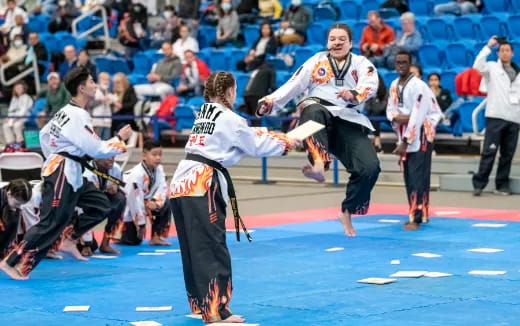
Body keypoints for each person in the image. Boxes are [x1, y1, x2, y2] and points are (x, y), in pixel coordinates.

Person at [170, 71, 299, 324]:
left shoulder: (204, 113)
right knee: (212, 245)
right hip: (202, 183)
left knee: (193, 247)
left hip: (181, 181)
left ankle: (201, 303)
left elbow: (233, 149)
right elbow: (255, 144)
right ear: (229, 91)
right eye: (235, 90)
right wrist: (287, 142)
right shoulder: (230, 118)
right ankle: (218, 310)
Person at [0, 66, 132, 280]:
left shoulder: (65, 112)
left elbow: (44, 134)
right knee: (51, 221)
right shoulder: (77, 115)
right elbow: (96, 149)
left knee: (101, 204)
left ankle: (70, 238)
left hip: (71, 171)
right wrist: (119, 138)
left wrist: (53, 156)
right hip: (63, 171)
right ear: (81, 88)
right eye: (91, 82)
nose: (95, 85)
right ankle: (10, 261)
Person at [256, 23, 381, 237]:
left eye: (342, 39)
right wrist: (270, 101)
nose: (337, 42)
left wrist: (355, 93)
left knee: (370, 168)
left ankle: (347, 209)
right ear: (327, 42)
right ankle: (319, 165)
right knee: (312, 107)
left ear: (351, 43)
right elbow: (294, 84)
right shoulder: (316, 61)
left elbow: (371, 83)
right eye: (333, 38)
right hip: (318, 115)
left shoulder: (362, 63)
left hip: (347, 120)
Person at [386, 51, 443, 231]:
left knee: (418, 177)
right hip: (406, 132)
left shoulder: (419, 86)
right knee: (409, 176)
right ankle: (420, 213)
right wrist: (396, 118)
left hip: (422, 133)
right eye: (398, 62)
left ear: (410, 64)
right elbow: (390, 109)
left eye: (404, 62)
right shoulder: (394, 85)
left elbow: (418, 115)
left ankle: (416, 217)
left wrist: (405, 140)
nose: (400, 65)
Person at [472, 37, 520, 196]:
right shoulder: (492, 68)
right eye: (502, 50)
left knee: (508, 154)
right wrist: (488, 46)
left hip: (514, 118)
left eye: (508, 50)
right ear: (498, 53)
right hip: (495, 115)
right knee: (489, 152)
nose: (505, 53)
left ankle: (501, 185)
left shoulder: (519, 73)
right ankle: (479, 183)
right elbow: (477, 65)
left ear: (512, 53)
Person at [120, 140, 171, 246]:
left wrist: (154, 202)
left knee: (166, 202)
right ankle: (123, 232)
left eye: (160, 155)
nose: (158, 158)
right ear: (144, 155)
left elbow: (162, 187)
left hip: (147, 202)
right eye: (154, 154)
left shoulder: (159, 169)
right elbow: (135, 200)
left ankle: (156, 236)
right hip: (129, 205)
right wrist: (141, 224)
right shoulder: (136, 174)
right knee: (133, 241)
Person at [82, 157, 126, 255]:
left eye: (113, 155)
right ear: (96, 156)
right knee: (91, 248)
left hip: (102, 200)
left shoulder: (116, 169)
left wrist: (116, 187)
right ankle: (83, 242)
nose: (111, 158)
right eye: (108, 155)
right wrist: (86, 244)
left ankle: (106, 243)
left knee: (120, 199)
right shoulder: (87, 173)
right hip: (82, 208)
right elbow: (82, 207)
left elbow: (120, 185)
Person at [0, 179, 32, 259]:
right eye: (17, 203)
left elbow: (12, 231)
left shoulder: (13, 202)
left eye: (22, 204)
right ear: (9, 194)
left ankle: (5, 251)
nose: (20, 206)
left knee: (13, 217)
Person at [3, 81, 33, 152]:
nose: (18, 89)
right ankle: (11, 144)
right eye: (16, 88)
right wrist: (9, 118)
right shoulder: (14, 98)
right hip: (14, 118)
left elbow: (22, 112)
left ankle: (20, 144)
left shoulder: (26, 97)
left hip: (24, 118)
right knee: (5, 126)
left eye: (20, 88)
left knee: (17, 125)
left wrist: (12, 119)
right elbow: (11, 110)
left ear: (23, 89)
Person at [364, 73, 388, 152]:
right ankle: (375, 144)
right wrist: (373, 96)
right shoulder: (368, 92)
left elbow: (382, 108)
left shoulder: (385, 92)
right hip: (373, 115)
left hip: (385, 115)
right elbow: (367, 107)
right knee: (371, 117)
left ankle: (377, 142)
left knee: (374, 116)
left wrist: (374, 100)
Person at [90, 72, 116, 140]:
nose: (106, 81)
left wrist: (113, 103)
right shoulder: (94, 90)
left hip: (107, 121)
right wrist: (102, 101)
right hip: (97, 121)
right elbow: (89, 104)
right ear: (99, 80)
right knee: (97, 140)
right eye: (104, 79)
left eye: (107, 80)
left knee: (106, 140)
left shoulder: (109, 91)